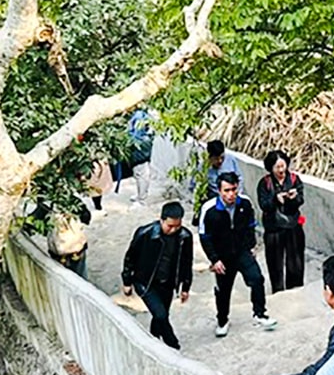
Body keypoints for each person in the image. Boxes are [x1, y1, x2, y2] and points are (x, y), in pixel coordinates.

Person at [200, 173, 275, 337]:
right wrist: (214, 259)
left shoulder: (245, 204)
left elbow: (250, 226)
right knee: (223, 290)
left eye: (233, 189)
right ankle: (222, 320)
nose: (230, 194)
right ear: (219, 190)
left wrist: (251, 246)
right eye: (226, 190)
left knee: (256, 279)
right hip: (222, 257)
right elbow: (205, 237)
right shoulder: (209, 210)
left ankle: (260, 313)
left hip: (242, 252)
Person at [120, 201, 194, 349]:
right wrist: (127, 281)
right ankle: (172, 345)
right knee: (160, 315)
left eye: (177, 226)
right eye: (170, 226)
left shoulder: (185, 236)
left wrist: (185, 287)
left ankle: (153, 342)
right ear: (161, 220)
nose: (173, 230)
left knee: (160, 315)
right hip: (145, 282)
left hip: (168, 283)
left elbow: (186, 263)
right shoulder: (145, 233)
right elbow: (130, 258)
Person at [256, 149, 306, 294]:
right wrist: (275, 199)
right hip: (274, 229)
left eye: (283, 166)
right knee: (275, 263)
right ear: (271, 168)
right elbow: (263, 204)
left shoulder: (295, 179)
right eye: (277, 167)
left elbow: (301, 200)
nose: (281, 170)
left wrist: (293, 197)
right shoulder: (265, 183)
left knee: (295, 263)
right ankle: (278, 291)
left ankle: (295, 290)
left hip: (293, 226)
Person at [110, 108, 155, 201]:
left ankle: (142, 199)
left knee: (142, 176)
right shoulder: (141, 116)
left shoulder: (139, 118)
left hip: (140, 155)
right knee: (139, 175)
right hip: (139, 155)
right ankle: (140, 195)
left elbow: (137, 136)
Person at [199, 139, 240, 207]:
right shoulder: (203, 168)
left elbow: (240, 178)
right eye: (216, 159)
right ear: (209, 157)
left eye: (222, 158)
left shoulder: (231, 160)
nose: (220, 161)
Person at [49, 211, 88, 278]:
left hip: (65, 252)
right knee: (79, 277)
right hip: (75, 249)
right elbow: (86, 217)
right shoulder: (72, 205)